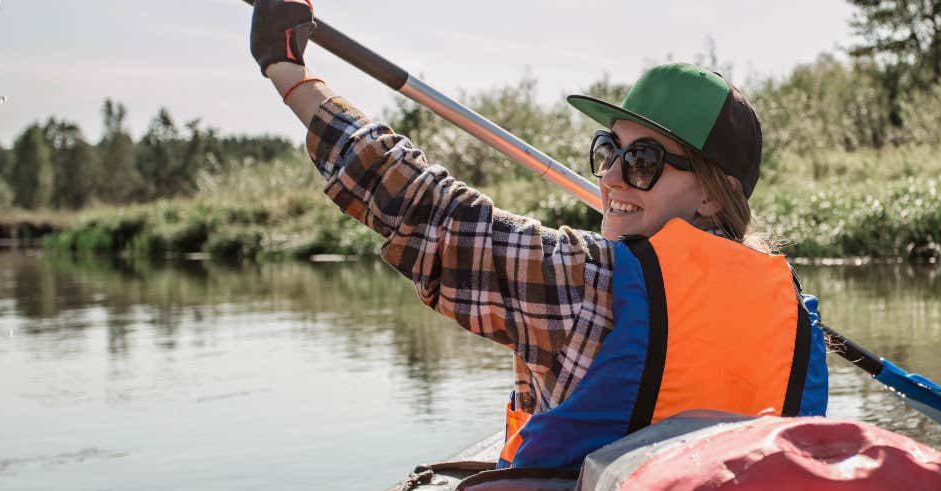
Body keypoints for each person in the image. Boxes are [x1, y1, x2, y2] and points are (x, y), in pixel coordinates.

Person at [249, 0, 828, 470]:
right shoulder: (799, 322)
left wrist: (291, 74)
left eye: (643, 160)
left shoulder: (589, 283)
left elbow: (427, 210)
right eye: (609, 151)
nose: (611, 177)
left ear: (710, 192)